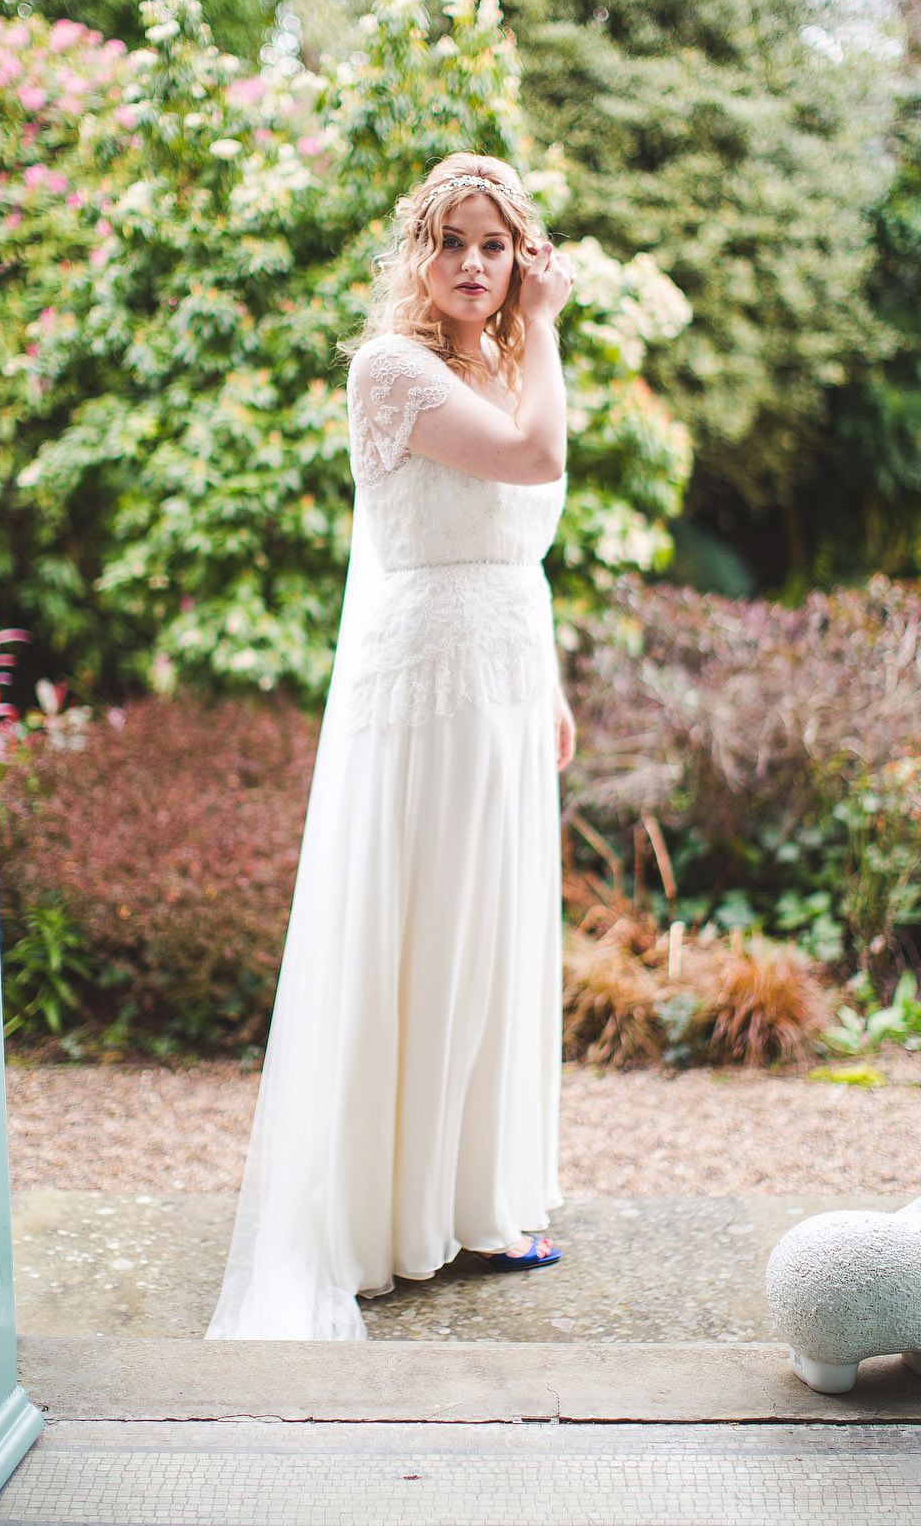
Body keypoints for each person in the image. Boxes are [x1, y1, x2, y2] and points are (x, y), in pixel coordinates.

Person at [206, 151, 576, 1341]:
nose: (476, 265)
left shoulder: (496, 363)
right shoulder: (392, 368)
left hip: (508, 676)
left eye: (497, 245)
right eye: (453, 241)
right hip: (434, 689)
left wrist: (552, 678)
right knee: (427, 933)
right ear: (417, 253)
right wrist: (551, 328)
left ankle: (474, 1202)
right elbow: (536, 462)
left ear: (518, 254)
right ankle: (386, 1217)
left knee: (496, 935)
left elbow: (519, 539)